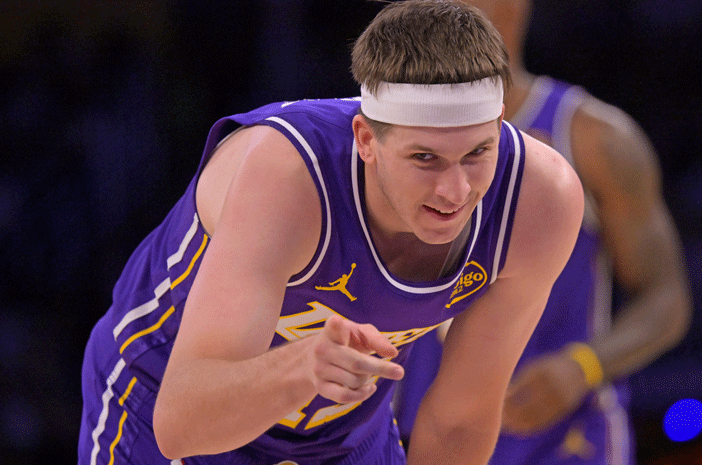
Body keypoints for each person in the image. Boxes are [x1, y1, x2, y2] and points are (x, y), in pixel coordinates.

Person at [77, 1, 585, 464]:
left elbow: (460, 420)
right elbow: (180, 425)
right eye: (425, 159)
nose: (455, 191)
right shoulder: (286, 176)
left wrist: (312, 373)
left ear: (499, 124)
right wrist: (299, 369)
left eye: (477, 153)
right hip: (163, 395)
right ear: (366, 139)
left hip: (342, 432)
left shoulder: (540, 200)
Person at [393, 0, 692, 464]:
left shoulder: (593, 137)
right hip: (428, 443)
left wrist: (583, 366)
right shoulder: (382, 138)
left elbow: (667, 301)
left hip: (564, 441)